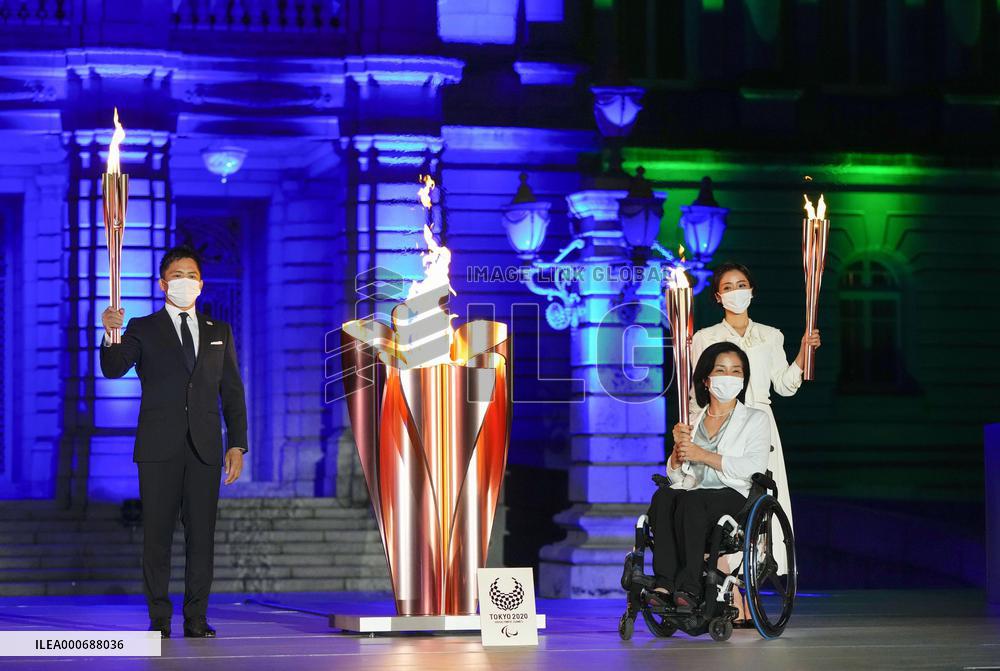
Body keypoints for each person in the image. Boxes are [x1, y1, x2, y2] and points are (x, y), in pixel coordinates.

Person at [100, 245, 247, 639]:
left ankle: (196, 619)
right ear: (163, 283)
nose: (186, 281)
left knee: (202, 537)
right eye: (178, 275)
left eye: (192, 275)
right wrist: (110, 332)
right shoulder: (142, 328)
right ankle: (159, 620)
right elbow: (114, 369)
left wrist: (238, 444)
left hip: (205, 449)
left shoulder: (220, 332)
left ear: (201, 283)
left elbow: (232, 392)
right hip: (158, 447)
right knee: (158, 537)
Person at [690, 262, 819, 574]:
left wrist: (803, 352)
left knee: (758, 506)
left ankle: (752, 587)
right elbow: (697, 393)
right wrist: (695, 432)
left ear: (752, 291)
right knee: (726, 502)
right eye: (728, 287)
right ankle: (725, 587)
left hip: (760, 423)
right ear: (718, 297)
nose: (736, 292)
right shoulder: (704, 339)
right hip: (720, 425)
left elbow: (785, 386)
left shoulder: (770, 336)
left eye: (742, 284)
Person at [647, 342, 770, 608]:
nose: (730, 377)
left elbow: (753, 467)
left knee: (693, 502)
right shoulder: (692, 420)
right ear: (706, 379)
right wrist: (677, 454)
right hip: (695, 492)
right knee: (664, 497)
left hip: (734, 494)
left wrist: (704, 455)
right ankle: (664, 582)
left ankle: (690, 587)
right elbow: (678, 477)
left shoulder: (755, 419)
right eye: (721, 370)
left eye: (737, 371)